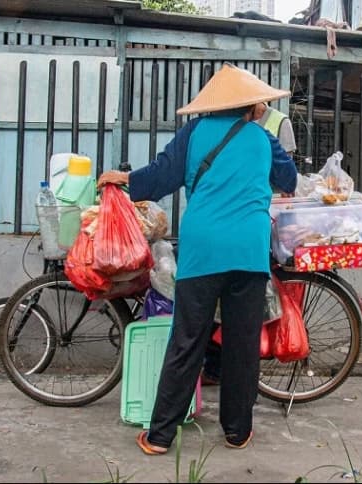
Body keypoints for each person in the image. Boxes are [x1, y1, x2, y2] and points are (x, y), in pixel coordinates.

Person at [98, 64, 297, 454]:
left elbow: (159, 178)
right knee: (242, 343)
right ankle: (237, 431)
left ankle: (160, 436)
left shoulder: (193, 133)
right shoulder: (263, 138)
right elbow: (288, 180)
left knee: (188, 340)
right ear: (249, 105)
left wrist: (124, 180)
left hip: (202, 250)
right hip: (248, 252)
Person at [199, 101, 297, 387]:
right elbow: (287, 176)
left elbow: (286, 180)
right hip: (249, 229)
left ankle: (216, 371)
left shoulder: (276, 124)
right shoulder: (254, 134)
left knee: (218, 311)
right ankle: (221, 374)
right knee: (232, 311)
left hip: (230, 227)